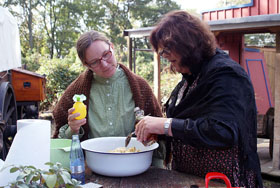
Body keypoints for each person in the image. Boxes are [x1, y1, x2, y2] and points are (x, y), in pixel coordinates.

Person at [135, 10, 263, 188]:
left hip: (222, 180)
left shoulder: (226, 74)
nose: (164, 56)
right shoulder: (193, 75)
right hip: (195, 179)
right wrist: (162, 132)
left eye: (166, 49)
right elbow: (189, 122)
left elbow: (223, 132)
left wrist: (165, 125)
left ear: (187, 44)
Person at [52, 30, 164, 167]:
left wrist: (157, 171)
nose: (104, 64)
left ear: (112, 46)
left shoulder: (140, 87)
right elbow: (61, 142)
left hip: (134, 166)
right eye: (94, 62)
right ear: (86, 64)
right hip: (92, 169)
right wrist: (73, 129)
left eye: (106, 54)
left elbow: (158, 137)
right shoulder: (75, 92)